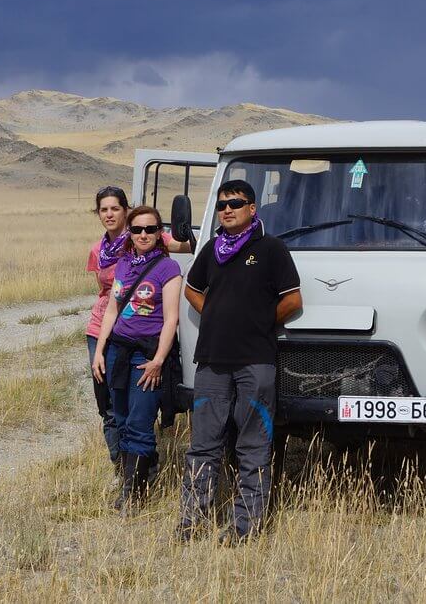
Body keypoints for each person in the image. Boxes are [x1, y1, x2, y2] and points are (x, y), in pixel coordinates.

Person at [177, 179, 302, 544]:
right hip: (212, 361)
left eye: (236, 203)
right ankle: (192, 521)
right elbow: (192, 289)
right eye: (222, 205)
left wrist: (260, 323)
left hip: (255, 362)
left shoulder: (272, 249)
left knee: (252, 445)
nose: (227, 209)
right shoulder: (212, 249)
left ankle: (246, 527)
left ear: (252, 209)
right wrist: (214, 314)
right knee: (203, 444)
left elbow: (293, 300)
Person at [92, 206, 183, 516]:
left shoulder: (168, 268)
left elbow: (171, 319)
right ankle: (129, 483)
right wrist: (101, 349)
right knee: (120, 416)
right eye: (137, 229)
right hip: (118, 350)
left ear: (160, 232)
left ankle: (135, 495)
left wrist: (159, 359)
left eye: (150, 229)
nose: (143, 234)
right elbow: (113, 310)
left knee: (140, 422)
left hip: (147, 354)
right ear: (129, 233)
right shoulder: (124, 264)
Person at [85, 186, 130, 476]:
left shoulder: (142, 236)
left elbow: (179, 245)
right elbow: (103, 290)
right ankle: (120, 467)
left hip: (131, 328)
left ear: (126, 210)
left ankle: (138, 466)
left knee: (129, 400)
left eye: (115, 208)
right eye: (104, 209)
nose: (109, 214)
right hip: (98, 327)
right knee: (107, 403)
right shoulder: (96, 250)